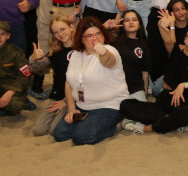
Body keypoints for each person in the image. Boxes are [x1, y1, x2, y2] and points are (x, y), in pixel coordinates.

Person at [119, 25, 188, 135]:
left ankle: (148, 128)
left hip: (184, 103)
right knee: (125, 105)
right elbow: (167, 40)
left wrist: (183, 85)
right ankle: (174, 121)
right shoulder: (176, 51)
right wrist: (165, 24)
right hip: (166, 98)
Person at [52, 17, 127, 145]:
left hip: (108, 105)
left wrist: (104, 53)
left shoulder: (110, 50)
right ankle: (89, 123)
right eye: (89, 36)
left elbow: (109, 61)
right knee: (59, 134)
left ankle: (117, 125)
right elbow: (69, 83)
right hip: (82, 106)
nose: (95, 39)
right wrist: (71, 109)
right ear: (81, 38)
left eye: (98, 34)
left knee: (82, 137)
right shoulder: (76, 54)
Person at [29, 16, 75, 136]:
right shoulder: (55, 52)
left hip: (74, 98)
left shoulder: (81, 49)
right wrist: (33, 59)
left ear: (71, 27)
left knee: (54, 130)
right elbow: (34, 69)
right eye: (56, 32)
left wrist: (66, 101)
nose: (60, 34)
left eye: (63, 29)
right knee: (39, 130)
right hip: (57, 96)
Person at [109, 10, 152, 102]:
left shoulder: (144, 45)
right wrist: (108, 27)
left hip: (135, 88)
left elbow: (145, 72)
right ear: (122, 25)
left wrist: (144, 92)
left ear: (140, 24)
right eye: (127, 20)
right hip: (116, 87)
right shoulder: (114, 43)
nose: (131, 22)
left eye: (134, 20)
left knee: (140, 109)